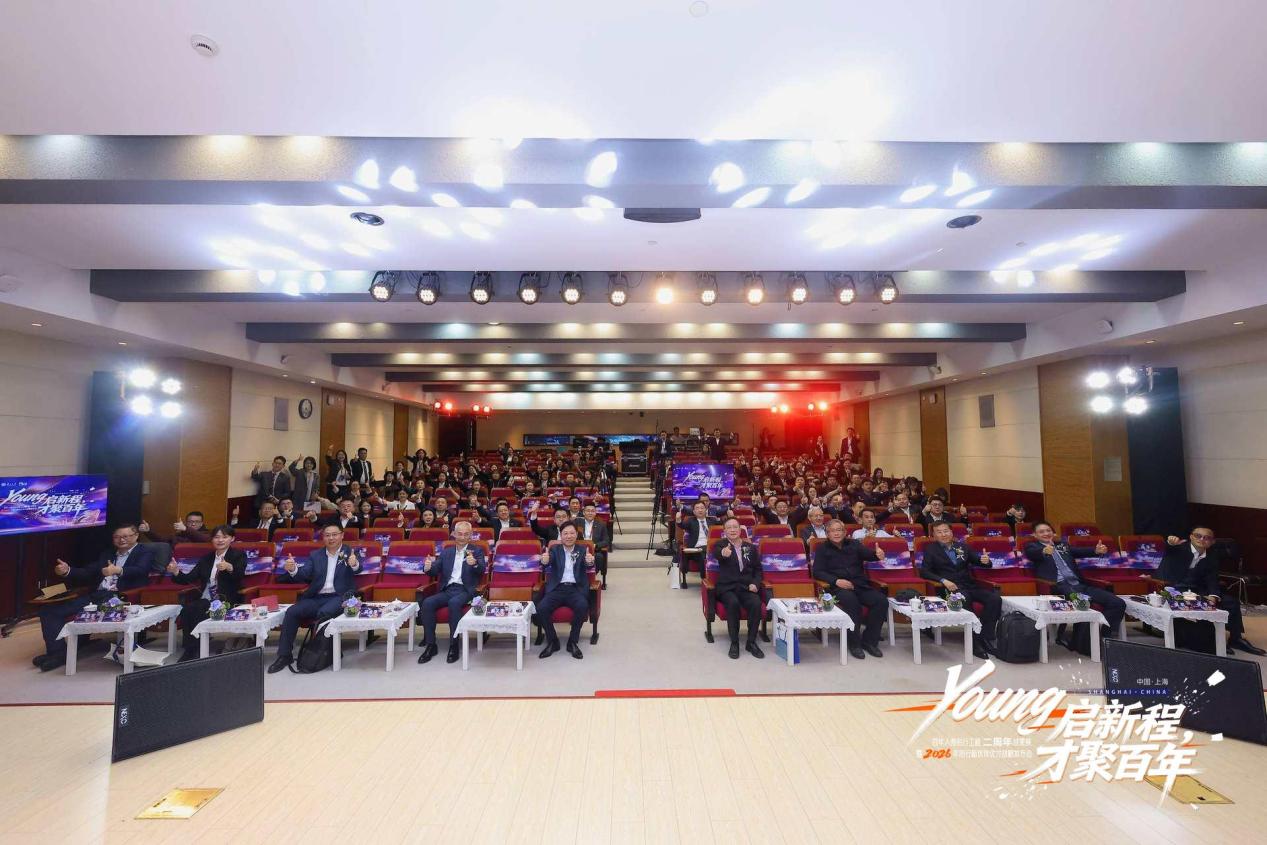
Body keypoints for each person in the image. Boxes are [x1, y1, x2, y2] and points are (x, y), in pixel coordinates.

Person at [33, 525, 156, 672]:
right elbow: (89, 571)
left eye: (125, 536)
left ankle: (65, 651)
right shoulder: (108, 553)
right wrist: (68, 571)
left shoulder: (144, 551)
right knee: (49, 611)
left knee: (89, 612)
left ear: (136, 536)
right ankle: (57, 653)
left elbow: (141, 570)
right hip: (97, 595)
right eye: (117, 537)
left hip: (121, 597)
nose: (121, 540)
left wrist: (118, 570)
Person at [267, 524, 363, 673]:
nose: (331, 538)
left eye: (334, 534)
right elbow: (305, 574)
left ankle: (317, 653)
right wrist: (293, 569)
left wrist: (354, 564)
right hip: (316, 597)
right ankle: (284, 655)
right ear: (323, 537)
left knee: (324, 612)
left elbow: (359, 568)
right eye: (327, 535)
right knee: (292, 612)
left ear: (342, 535)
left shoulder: (351, 552)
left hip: (340, 597)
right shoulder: (315, 555)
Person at [1157, 528, 1264, 655]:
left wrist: (1213, 595)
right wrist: (1170, 543)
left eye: (1206, 538)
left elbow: (1212, 579)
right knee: (1195, 607)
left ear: (1212, 542)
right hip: (1176, 588)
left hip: (1198, 589)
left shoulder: (1212, 556)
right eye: (1198, 536)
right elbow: (1169, 550)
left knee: (1232, 603)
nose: (1202, 539)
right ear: (1191, 537)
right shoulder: (1180, 549)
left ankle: (1236, 638)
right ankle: (1209, 641)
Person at [1022, 522, 1125, 639]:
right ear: (1035, 535)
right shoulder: (1031, 546)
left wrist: (1096, 551)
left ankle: (1104, 636)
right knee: (1084, 604)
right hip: (1059, 587)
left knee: (1118, 603)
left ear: (1053, 533)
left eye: (1048, 530)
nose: (1046, 533)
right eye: (1041, 532)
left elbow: (1079, 551)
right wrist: (1044, 551)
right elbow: (1032, 553)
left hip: (1080, 585)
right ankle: (1082, 640)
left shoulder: (1062, 545)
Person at [918, 521, 1000, 658]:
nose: (943, 534)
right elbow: (925, 572)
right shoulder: (931, 550)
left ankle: (986, 637)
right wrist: (943, 580)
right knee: (965, 599)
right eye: (939, 532)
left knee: (995, 599)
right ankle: (974, 641)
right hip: (949, 589)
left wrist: (985, 561)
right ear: (934, 535)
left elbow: (980, 562)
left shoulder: (962, 547)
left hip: (969, 585)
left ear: (951, 532)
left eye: (946, 531)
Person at [168, 524, 246, 662]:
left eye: (224, 537)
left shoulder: (238, 555)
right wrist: (176, 571)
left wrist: (229, 567)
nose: (220, 540)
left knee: (198, 608)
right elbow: (189, 578)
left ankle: (193, 649)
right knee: (187, 609)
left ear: (232, 539)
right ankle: (191, 647)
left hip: (226, 599)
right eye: (216, 537)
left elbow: (239, 575)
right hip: (206, 598)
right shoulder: (206, 558)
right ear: (212, 539)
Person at [416, 521, 487, 664]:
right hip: (448, 589)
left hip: (466, 590)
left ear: (471, 535)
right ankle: (431, 645)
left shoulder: (477, 551)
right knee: (428, 603)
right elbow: (435, 570)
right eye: (460, 534)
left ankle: (454, 645)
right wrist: (428, 567)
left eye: (466, 534)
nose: (463, 537)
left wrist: (474, 564)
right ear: (454, 534)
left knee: (454, 603)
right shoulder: (446, 552)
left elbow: (482, 569)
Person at [814, 519, 885, 660]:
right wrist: (836, 581)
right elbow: (817, 572)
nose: (836, 533)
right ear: (827, 534)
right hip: (837, 588)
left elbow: (869, 555)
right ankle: (854, 643)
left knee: (881, 601)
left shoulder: (854, 544)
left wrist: (877, 555)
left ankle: (870, 641)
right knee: (852, 603)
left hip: (859, 584)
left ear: (845, 532)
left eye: (839, 530)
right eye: (832, 531)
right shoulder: (822, 548)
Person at [534, 524, 592, 659]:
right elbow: (547, 561)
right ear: (561, 535)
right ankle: (553, 641)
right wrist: (545, 561)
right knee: (542, 608)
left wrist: (589, 562)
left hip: (576, 588)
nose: (569, 536)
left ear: (576, 535)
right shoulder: (555, 549)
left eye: (572, 533)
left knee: (582, 606)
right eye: (565, 533)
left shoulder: (583, 550)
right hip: (557, 588)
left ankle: (572, 642)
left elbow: (589, 564)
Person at [710, 518, 765, 659]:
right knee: (732, 603)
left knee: (756, 603)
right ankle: (734, 642)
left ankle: (751, 642)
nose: (733, 530)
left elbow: (758, 569)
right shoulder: (720, 544)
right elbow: (717, 553)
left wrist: (755, 583)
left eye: (735, 527)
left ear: (740, 530)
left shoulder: (750, 547)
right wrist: (723, 553)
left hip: (746, 587)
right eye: (729, 528)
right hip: (727, 587)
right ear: (724, 531)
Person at [679, 500, 717, 588]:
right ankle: (705, 579)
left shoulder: (712, 521)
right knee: (702, 554)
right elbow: (682, 525)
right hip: (696, 550)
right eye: (697, 508)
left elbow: (724, 525)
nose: (700, 510)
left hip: (710, 549)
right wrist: (678, 520)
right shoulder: (690, 521)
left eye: (702, 508)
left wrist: (731, 515)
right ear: (694, 511)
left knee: (708, 551)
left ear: (706, 510)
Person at [573, 503, 611, 590]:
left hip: (594, 550)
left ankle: (590, 577)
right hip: (578, 549)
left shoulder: (601, 524)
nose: (590, 513)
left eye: (592, 511)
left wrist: (596, 545)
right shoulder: (577, 522)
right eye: (588, 511)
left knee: (599, 557)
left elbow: (606, 540)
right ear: (583, 512)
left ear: (595, 513)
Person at [139, 510, 210, 544]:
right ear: (186, 523)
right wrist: (148, 531)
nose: (193, 524)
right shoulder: (179, 534)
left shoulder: (207, 534)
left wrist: (186, 529)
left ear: (201, 524)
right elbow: (161, 540)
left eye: (197, 522)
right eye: (190, 522)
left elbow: (204, 539)